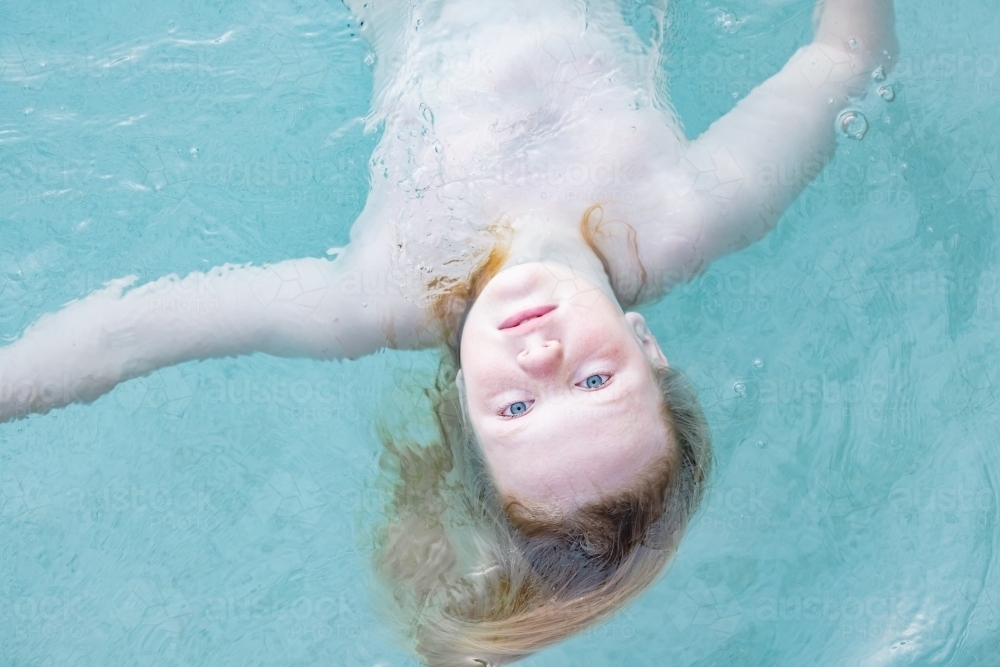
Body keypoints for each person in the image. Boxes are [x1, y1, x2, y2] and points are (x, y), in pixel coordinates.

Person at [0, 0, 896, 664]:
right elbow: (842, 61)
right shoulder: (684, 216)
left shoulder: (380, 294)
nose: (541, 354)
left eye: (516, 407)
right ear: (648, 348)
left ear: (464, 402)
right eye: (594, 382)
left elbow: (134, 333)